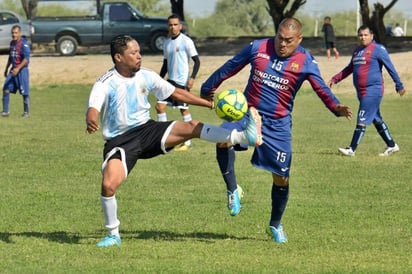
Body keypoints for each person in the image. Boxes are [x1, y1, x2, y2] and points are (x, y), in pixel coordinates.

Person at [85, 35, 263, 248]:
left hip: (147, 130)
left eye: (139, 51)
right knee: (108, 185)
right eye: (133, 53)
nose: (139, 56)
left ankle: (244, 137)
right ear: (118, 57)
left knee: (190, 127)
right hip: (120, 141)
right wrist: (92, 118)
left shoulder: (146, 76)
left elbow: (176, 93)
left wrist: (208, 104)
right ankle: (113, 234)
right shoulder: (106, 81)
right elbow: (94, 106)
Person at [200, 18, 352, 243]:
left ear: (299, 39)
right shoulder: (258, 47)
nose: (282, 43)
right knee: (223, 140)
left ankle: (275, 225)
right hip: (247, 113)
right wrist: (208, 87)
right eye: (279, 37)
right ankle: (233, 189)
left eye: (288, 40)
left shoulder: (305, 61)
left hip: (277, 124)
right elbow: (231, 66)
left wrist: (335, 107)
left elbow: (320, 87)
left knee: (281, 178)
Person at [330, 25, 406, 157]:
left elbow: (390, 68)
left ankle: (351, 149)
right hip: (361, 91)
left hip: (373, 90)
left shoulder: (378, 49)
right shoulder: (357, 50)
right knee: (376, 119)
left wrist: (399, 85)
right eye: (360, 35)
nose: (363, 37)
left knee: (362, 118)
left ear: (372, 36)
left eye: (365, 35)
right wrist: (335, 78)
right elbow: (350, 68)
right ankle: (392, 145)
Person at [155, 14, 200, 152]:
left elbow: (197, 61)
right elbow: (165, 64)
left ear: (180, 26)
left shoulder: (186, 41)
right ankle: (164, 138)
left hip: (182, 82)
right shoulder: (167, 43)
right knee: (159, 107)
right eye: (170, 25)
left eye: (175, 24)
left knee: (184, 110)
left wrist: (191, 78)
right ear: (168, 26)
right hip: (170, 82)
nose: (173, 27)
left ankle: (188, 142)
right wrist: (158, 79)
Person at [2, 25, 31, 118]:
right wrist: (6, 68)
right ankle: (5, 111)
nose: (14, 35)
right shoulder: (11, 43)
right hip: (13, 70)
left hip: (22, 70)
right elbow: (11, 57)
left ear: (20, 33)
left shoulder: (24, 44)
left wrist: (18, 68)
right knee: (6, 88)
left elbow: (26, 59)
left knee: (24, 92)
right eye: (13, 33)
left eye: (16, 33)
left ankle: (26, 112)